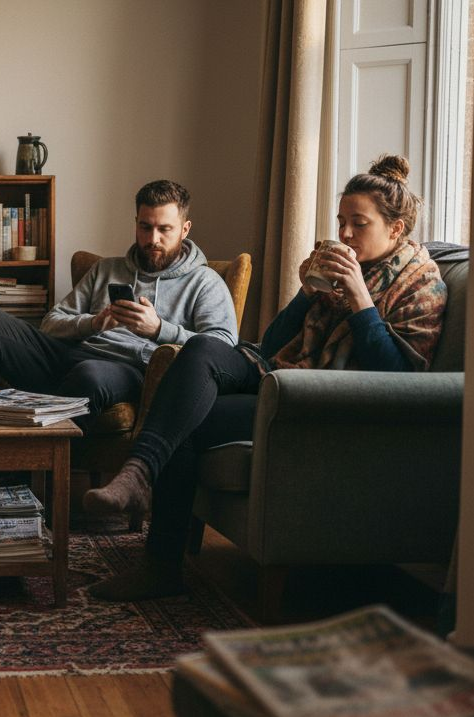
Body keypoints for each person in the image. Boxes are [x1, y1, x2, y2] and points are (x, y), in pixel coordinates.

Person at [84, 155, 448, 601]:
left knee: (187, 416)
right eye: (341, 221)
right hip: (279, 374)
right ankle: (139, 477)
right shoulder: (342, 271)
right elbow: (272, 343)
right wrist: (304, 296)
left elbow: (396, 376)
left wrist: (358, 299)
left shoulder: (422, 285)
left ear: (395, 229)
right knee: (200, 348)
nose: (345, 234)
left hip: (319, 399)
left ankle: (157, 556)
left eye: (359, 223)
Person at [0, 180, 239, 432]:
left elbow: (223, 347)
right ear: (136, 222)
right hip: (71, 353)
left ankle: (22, 470)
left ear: (185, 229)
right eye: (145, 227)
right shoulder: (105, 270)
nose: (153, 239)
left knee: (89, 375)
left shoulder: (205, 282)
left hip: (131, 370)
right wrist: (92, 323)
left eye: (165, 229)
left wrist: (158, 329)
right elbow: (51, 323)